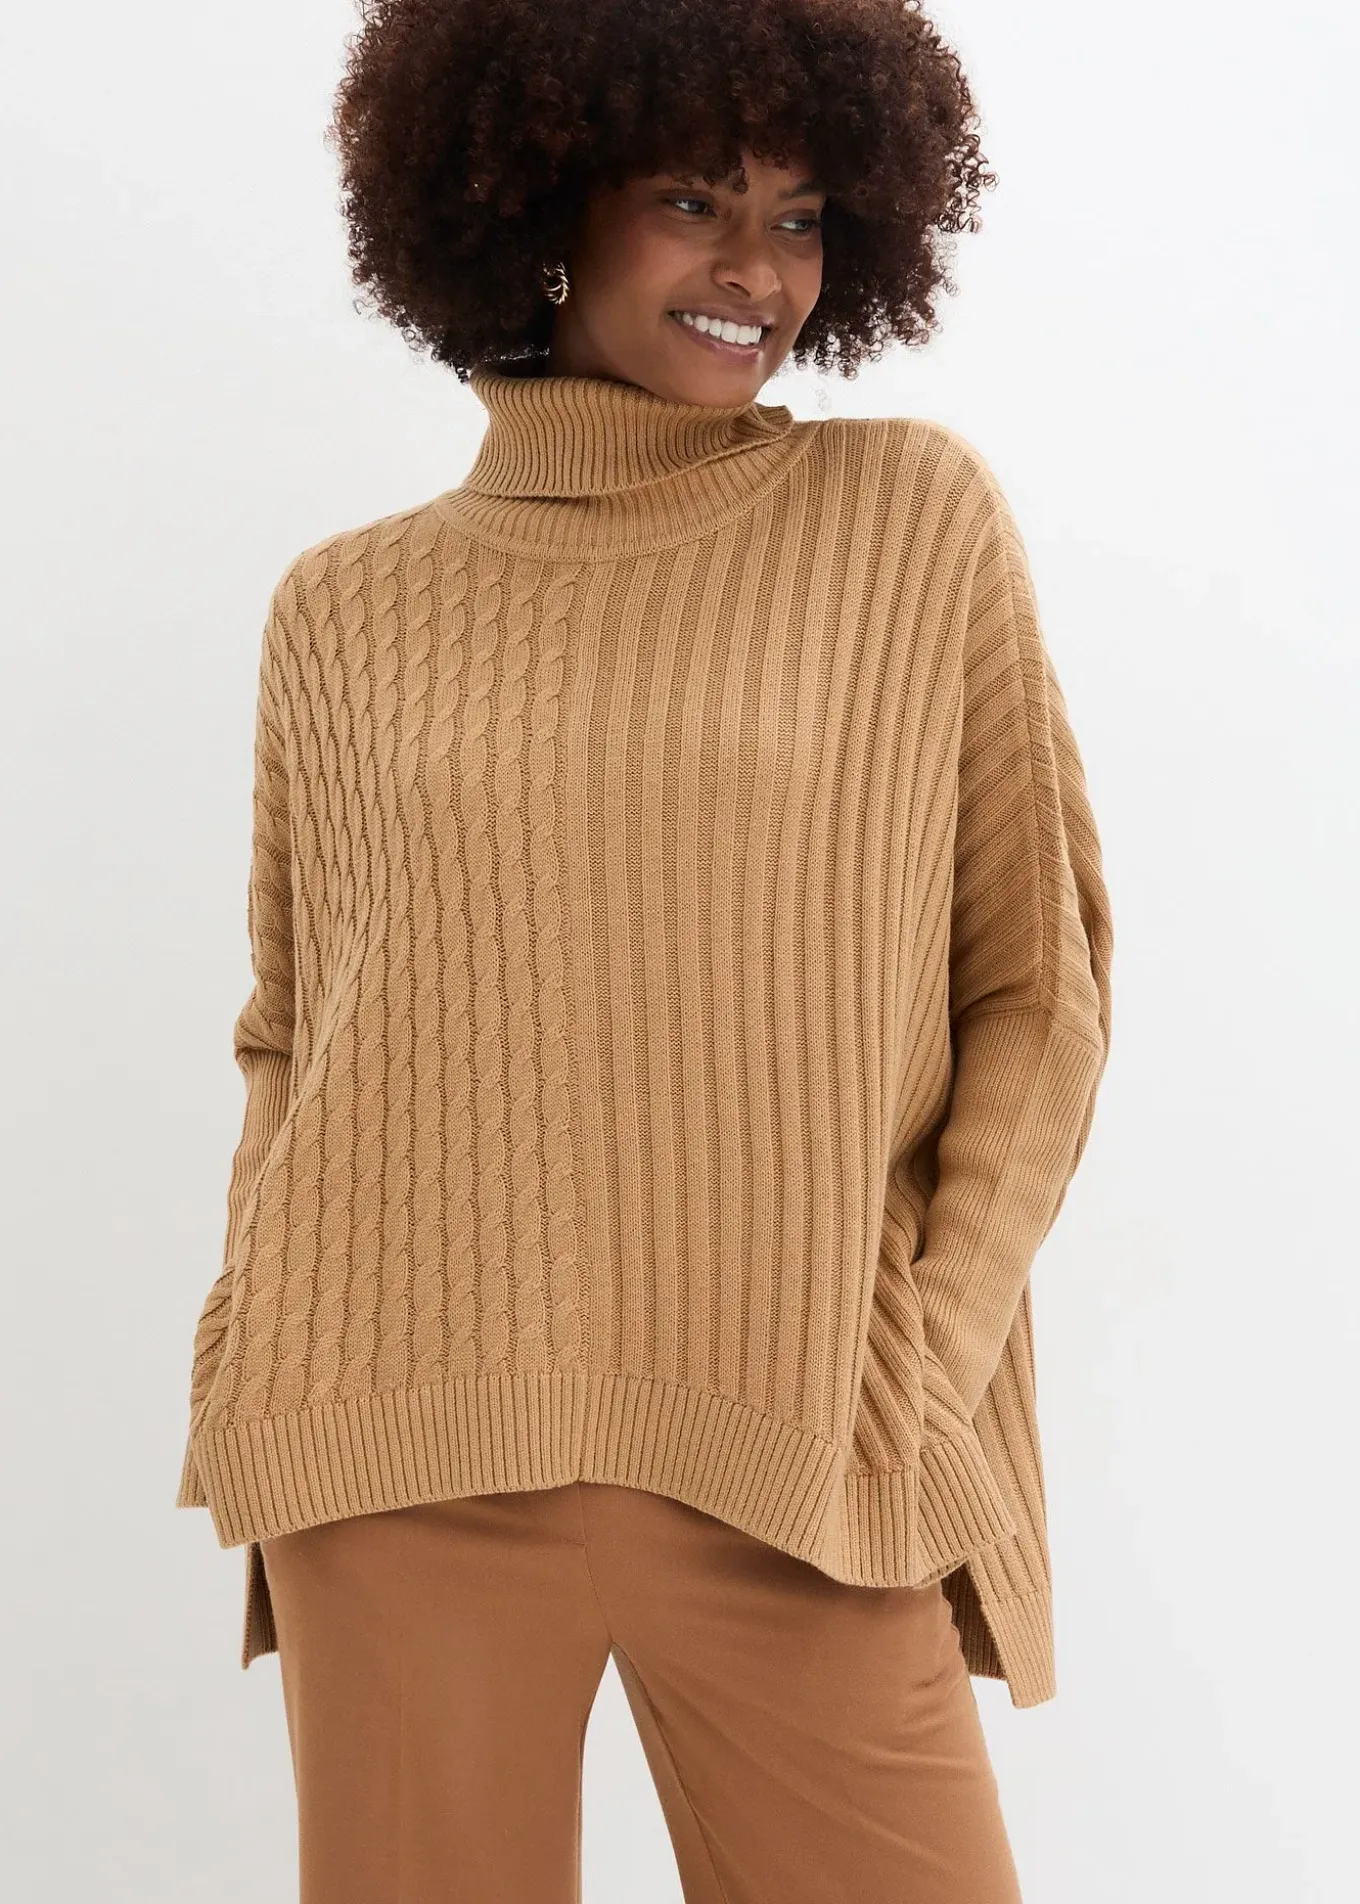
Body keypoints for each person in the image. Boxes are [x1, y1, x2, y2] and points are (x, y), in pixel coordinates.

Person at [173, 2, 1114, 1898]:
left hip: (798, 1450)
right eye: (695, 200)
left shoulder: (907, 523)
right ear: (537, 204)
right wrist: (246, 1341)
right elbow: (295, 1037)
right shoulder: (343, 611)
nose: (757, 269)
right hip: (398, 1449)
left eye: (801, 215)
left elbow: (1039, 994)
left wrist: (922, 1350)